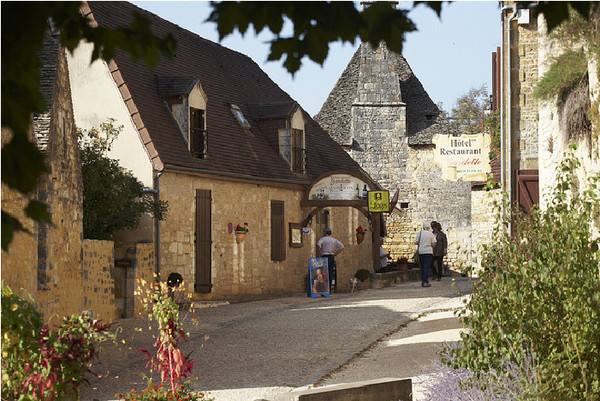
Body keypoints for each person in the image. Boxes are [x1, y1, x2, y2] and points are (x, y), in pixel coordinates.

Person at [317, 228, 344, 292]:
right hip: (331, 256)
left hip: (324, 256)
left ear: (325, 233)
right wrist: (336, 253)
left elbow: (318, 245)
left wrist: (320, 253)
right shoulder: (334, 240)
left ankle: (324, 288)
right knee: (330, 273)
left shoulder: (322, 239)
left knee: (323, 273)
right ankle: (329, 289)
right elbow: (342, 246)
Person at [414, 222, 436, 287]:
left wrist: (421, 244)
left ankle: (423, 281)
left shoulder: (420, 233)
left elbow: (415, 242)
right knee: (426, 267)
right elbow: (434, 244)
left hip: (421, 251)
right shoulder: (431, 234)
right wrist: (428, 244)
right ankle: (425, 282)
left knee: (423, 267)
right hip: (428, 252)